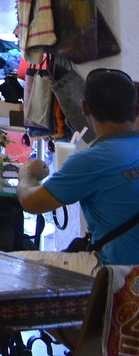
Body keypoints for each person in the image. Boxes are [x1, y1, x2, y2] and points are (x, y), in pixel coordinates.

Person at [18, 67, 139, 270]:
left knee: (15, 263)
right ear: (135, 111)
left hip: (120, 274)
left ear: (84, 108)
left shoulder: (91, 161)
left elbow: (31, 203)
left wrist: (27, 174)